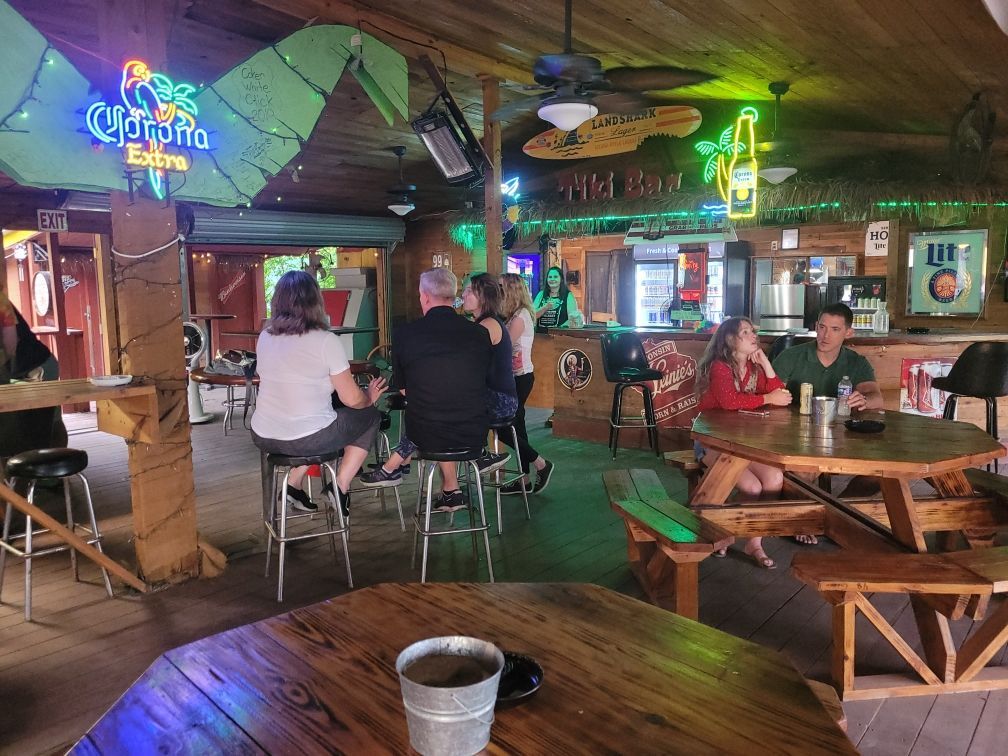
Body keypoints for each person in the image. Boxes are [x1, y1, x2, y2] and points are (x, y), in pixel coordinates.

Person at [359, 269, 508, 513]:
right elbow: (482, 382)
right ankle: (449, 489)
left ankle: (399, 469)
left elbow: (405, 390)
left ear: (424, 297)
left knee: (430, 411)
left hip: (426, 435)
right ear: (453, 296)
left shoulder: (406, 335)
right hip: (473, 435)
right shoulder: (480, 334)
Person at [250, 270, 385, 516]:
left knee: (320, 422)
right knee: (369, 417)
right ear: (316, 301)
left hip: (263, 435)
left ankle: (293, 484)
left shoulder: (265, 337)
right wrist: (369, 398)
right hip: (308, 438)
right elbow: (351, 399)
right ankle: (339, 485)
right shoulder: (325, 341)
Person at [695, 317, 792, 569]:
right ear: (729, 340)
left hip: (743, 443)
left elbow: (781, 396)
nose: (753, 336)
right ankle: (724, 532)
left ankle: (754, 541)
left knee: (774, 480)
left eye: (753, 331)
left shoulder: (753, 369)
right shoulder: (720, 367)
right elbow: (729, 401)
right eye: (745, 332)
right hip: (712, 442)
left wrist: (767, 365)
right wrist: (767, 397)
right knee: (751, 487)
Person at [772, 302, 884, 505]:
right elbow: (770, 394)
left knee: (882, 473)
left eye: (835, 329)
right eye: (822, 327)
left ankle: (836, 514)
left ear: (848, 332)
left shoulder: (856, 362)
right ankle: (811, 518)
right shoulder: (791, 356)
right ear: (816, 326)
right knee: (803, 471)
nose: (826, 335)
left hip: (842, 437)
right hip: (795, 435)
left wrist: (864, 400)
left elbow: (876, 397)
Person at [498, 273, 553, 495]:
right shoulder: (518, 314)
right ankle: (525, 480)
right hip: (519, 377)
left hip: (519, 378)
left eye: (501, 287)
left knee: (505, 428)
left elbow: (503, 347)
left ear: (511, 290)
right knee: (517, 427)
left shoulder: (520, 317)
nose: (498, 291)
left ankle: (541, 464)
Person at [533, 266, 582, 330]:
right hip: (540, 336)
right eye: (550, 277)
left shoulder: (568, 296)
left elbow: (573, 319)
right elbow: (532, 316)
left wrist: (558, 329)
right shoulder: (541, 294)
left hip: (560, 337)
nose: (552, 279)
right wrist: (545, 307)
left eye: (555, 277)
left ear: (561, 279)